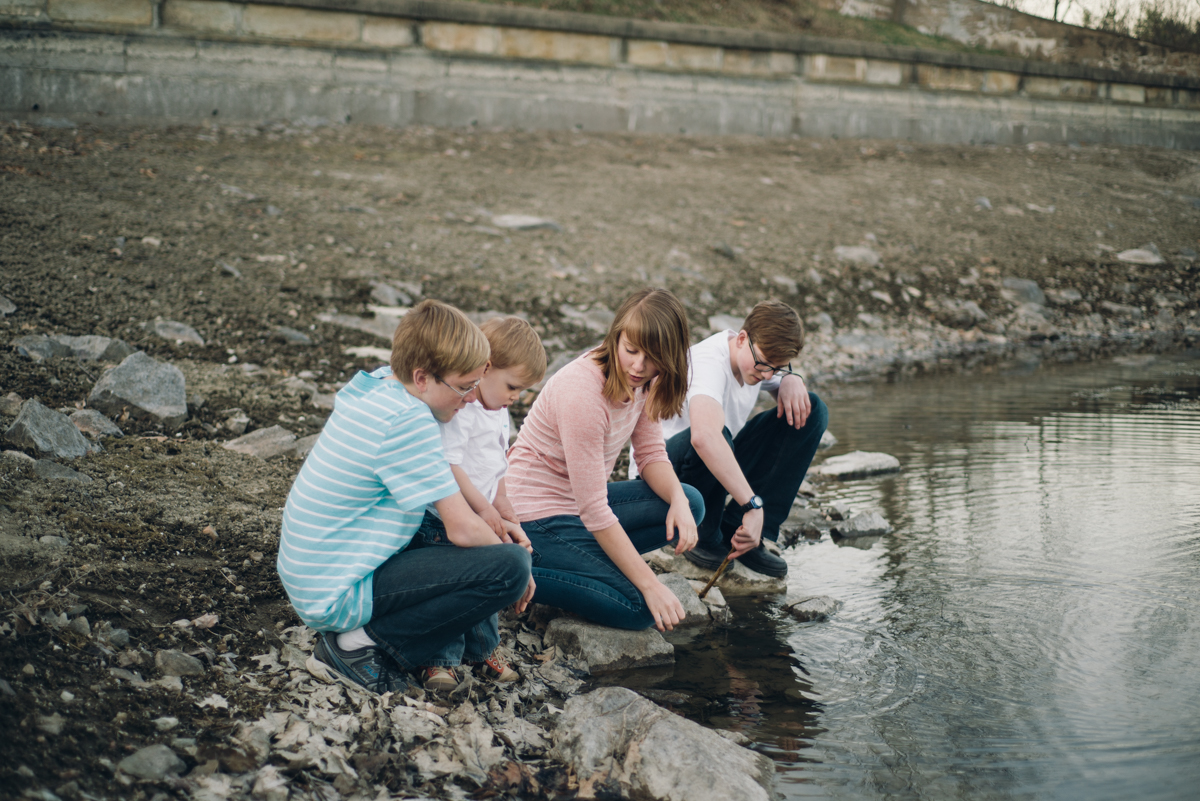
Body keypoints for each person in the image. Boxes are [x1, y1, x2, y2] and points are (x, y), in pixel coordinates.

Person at [277, 299, 535, 695]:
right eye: (464, 387)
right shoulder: (408, 421)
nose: (469, 399)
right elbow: (463, 530)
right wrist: (522, 570)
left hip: (311, 570)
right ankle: (355, 646)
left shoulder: (378, 385)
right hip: (337, 589)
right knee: (509, 567)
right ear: (421, 377)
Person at [505, 288, 704, 633]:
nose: (639, 366)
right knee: (639, 608)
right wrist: (650, 584)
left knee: (692, 503)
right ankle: (506, 570)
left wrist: (678, 501)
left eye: (653, 357)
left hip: (577, 508)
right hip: (534, 517)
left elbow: (651, 454)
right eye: (631, 350)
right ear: (616, 337)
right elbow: (595, 510)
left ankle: (587, 563)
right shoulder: (582, 393)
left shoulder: (645, 380)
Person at [410, 315, 547, 691]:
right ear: (484, 370)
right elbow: (450, 465)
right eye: (512, 386)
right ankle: (439, 659)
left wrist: (501, 505)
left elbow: (498, 464)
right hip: (447, 518)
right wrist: (485, 511)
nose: (515, 396)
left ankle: (481, 648)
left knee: (486, 583)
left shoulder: (499, 411)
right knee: (456, 586)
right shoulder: (462, 411)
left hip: (480, 514)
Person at [650, 299, 828, 578]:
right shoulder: (709, 361)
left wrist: (792, 379)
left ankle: (742, 532)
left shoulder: (754, 359)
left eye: (778, 367)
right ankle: (700, 528)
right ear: (742, 338)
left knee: (812, 411)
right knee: (716, 433)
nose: (767, 374)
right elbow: (704, 438)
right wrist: (752, 504)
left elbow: (775, 375)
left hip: (709, 465)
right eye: (764, 364)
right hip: (665, 474)